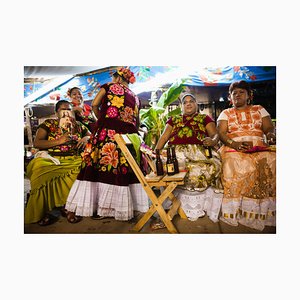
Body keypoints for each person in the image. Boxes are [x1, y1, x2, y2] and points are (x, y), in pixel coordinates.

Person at [65, 67, 149, 222]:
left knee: (100, 168)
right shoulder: (135, 97)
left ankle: (101, 207)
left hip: (108, 133)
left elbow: (95, 105)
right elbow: (136, 122)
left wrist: (102, 120)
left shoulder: (109, 87)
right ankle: (123, 207)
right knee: (122, 170)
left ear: (116, 78)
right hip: (127, 137)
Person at [154, 93, 223, 226]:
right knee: (168, 168)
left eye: (191, 101)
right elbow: (163, 137)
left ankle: (196, 208)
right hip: (176, 154)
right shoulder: (173, 120)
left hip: (200, 153)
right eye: (185, 102)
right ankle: (175, 204)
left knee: (207, 167)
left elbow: (215, 135)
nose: (188, 104)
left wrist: (212, 141)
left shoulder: (205, 118)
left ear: (196, 104)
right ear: (182, 106)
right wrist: (155, 153)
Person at [217, 80, 276, 231]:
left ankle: (263, 212)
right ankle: (236, 211)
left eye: (241, 92)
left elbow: (269, 127)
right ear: (230, 98)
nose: (237, 95)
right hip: (233, 148)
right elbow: (222, 133)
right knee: (234, 162)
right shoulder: (226, 113)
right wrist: (234, 144)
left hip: (260, 147)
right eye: (234, 93)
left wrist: (270, 135)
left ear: (249, 95)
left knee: (272, 161)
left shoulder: (259, 109)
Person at [24, 100, 91, 225]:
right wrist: (59, 141)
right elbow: (37, 143)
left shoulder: (78, 125)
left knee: (84, 170)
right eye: (63, 110)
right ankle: (43, 211)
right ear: (56, 112)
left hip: (73, 158)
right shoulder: (49, 124)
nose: (66, 113)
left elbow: (92, 136)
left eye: (69, 110)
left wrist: (86, 137)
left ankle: (69, 208)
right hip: (51, 159)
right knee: (39, 170)